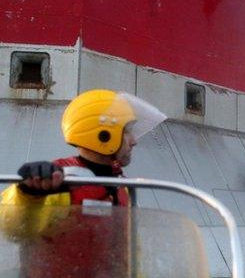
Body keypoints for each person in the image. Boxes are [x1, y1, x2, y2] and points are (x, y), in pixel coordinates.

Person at [0, 89, 166, 277]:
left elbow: (129, 253)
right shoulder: (55, 181)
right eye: (127, 131)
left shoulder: (121, 187)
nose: (134, 141)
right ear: (103, 134)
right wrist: (28, 194)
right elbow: (12, 228)